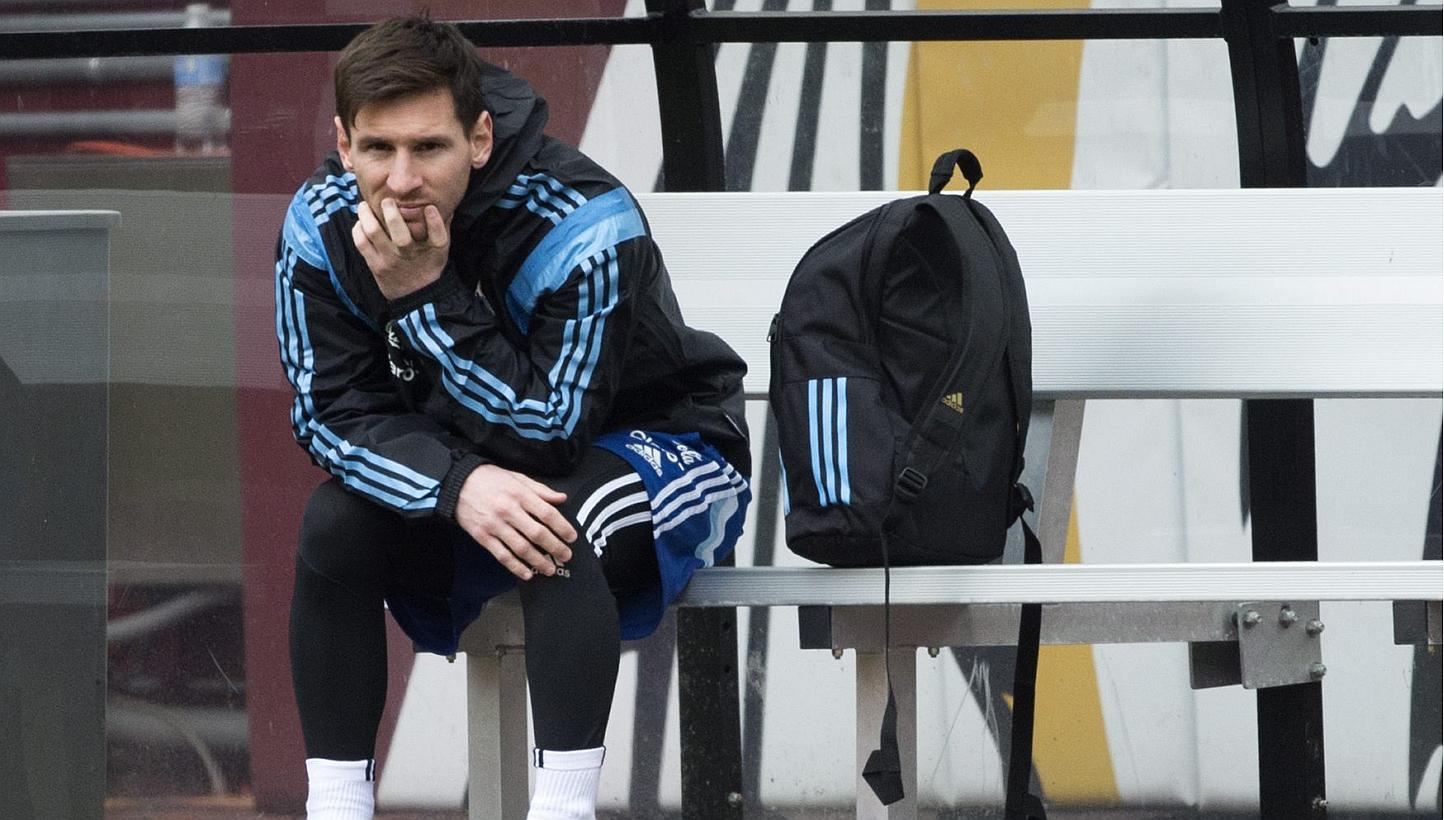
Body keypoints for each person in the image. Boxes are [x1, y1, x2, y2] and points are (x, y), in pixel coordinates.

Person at [273, 16, 752, 819]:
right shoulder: (320, 226)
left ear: (481, 137)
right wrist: (456, 483)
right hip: (472, 469)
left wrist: (422, 294)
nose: (400, 180)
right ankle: (337, 808)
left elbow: (554, 429)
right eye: (378, 150)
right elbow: (330, 415)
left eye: (430, 148)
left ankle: (563, 807)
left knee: (556, 515)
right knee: (331, 524)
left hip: (657, 443)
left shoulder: (583, 217)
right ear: (344, 143)